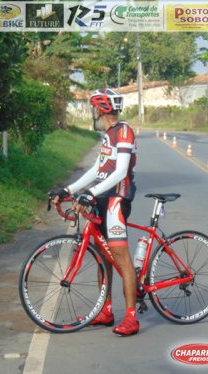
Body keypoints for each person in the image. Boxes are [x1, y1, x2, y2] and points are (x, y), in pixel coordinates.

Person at [50, 88, 139, 336]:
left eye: (95, 108)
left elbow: (120, 172)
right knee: (103, 256)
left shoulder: (123, 131)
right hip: (102, 197)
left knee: (121, 257)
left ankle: (131, 318)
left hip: (117, 200)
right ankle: (105, 310)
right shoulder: (108, 134)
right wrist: (69, 189)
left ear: (100, 109)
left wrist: (90, 193)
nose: (94, 112)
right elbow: (97, 170)